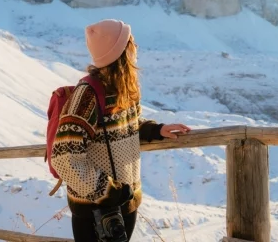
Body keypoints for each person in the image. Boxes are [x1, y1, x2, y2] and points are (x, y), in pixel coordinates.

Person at [51, 19, 191, 242]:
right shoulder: (86, 95)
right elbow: (64, 157)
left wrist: (156, 130)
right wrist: (108, 191)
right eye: (130, 42)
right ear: (119, 50)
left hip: (125, 203)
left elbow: (126, 125)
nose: (135, 47)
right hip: (95, 209)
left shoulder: (123, 88)